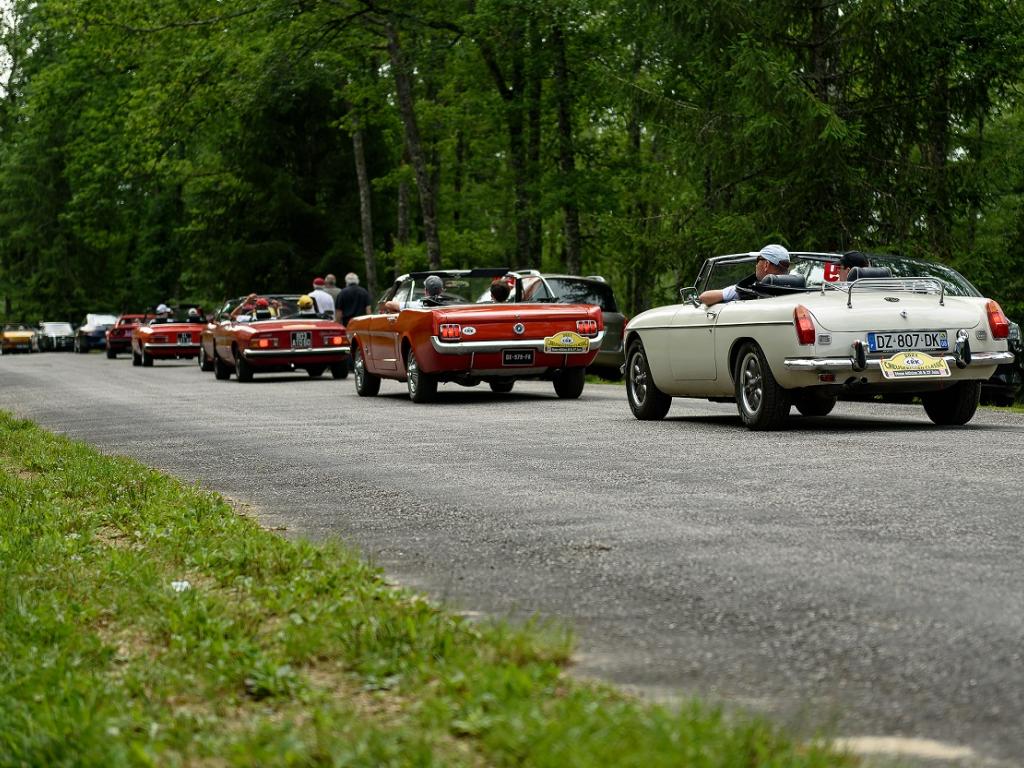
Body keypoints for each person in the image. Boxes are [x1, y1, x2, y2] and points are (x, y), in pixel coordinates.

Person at [699, 244, 791, 306]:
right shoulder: (797, 289)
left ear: (766, 265)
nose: (756, 265)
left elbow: (704, 297)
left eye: (758, 260)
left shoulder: (748, 289)